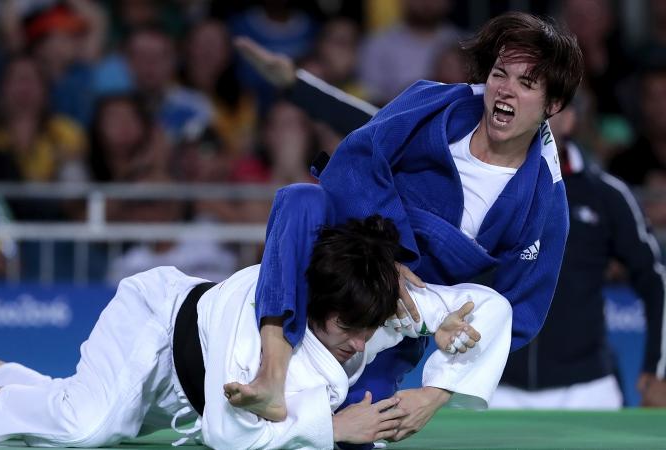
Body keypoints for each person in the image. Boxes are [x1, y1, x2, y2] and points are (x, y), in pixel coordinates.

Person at [228, 11, 583, 443]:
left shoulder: (544, 200)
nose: (505, 90)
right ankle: (273, 366)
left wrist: (435, 393)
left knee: (356, 431)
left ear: (553, 105)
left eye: (526, 84)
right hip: (345, 264)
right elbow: (357, 156)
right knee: (300, 199)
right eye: (499, 74)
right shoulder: (435, 106)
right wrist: (387, 258)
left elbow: (518, 312)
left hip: (404, 318)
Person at [0, 214, 510, 448]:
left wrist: (444, 368)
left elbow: (490, 306)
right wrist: (332, 426)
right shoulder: (264, 330)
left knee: (88, 408)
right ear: (313, 304)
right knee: (88, 426)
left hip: (191, 385)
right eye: (346, 328)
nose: (358, 343)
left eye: (367, 329)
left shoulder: (379, 301)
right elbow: (227, 434)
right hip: (158, 327)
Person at [492, 97, 666, 409]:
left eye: (552, 105)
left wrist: (657, 369)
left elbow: (656, 280)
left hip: (587, 390)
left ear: (571, 119)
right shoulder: (482, 184)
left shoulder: (606, 194)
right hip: (493, 385)